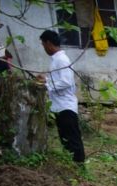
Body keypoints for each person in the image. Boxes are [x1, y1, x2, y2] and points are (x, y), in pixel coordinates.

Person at [37, 30, 85, 163]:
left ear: (48, 43)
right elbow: (60, 79)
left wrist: (46, 84)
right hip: (59, 106)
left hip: (65, 106)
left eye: (43, 44)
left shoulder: (61, 59)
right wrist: (46, 79)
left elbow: (65, 82)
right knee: (66, 138)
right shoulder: (56, 59)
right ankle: (73, 164)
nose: (44, 48)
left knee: (72, 138)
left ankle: (78, 165)